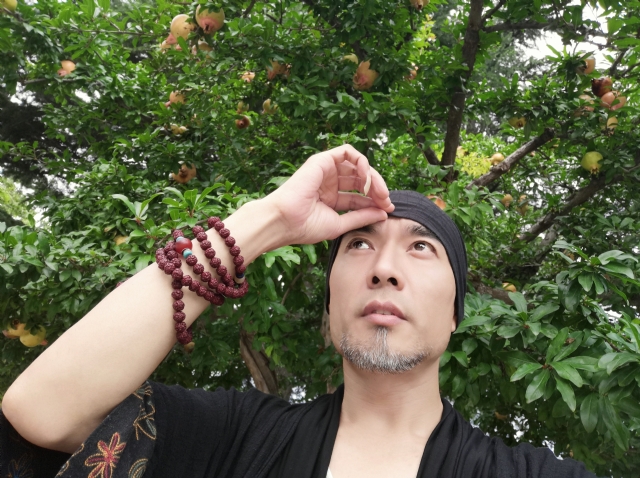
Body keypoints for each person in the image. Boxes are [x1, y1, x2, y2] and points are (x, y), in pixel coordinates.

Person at [0, 145, 596, 477]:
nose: (384, 268)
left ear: (456, 312)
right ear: (332, 302)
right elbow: (43, 412)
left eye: (422, 248)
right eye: (358, 245)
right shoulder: (233, 440)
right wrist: (269, 221)